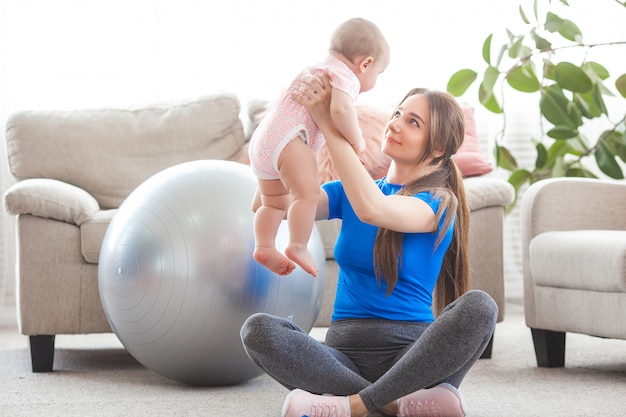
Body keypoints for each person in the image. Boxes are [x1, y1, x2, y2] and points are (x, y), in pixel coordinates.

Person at [240, 74, 498, 417]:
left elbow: (374, 209)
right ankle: (400, 404)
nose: (395, 124)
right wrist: (281, 138)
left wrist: (328, 124)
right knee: (258, 330)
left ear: (437, 148)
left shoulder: (439, 202)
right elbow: (274, 205)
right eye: (397, 114)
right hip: (342, 356)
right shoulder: (348, 191)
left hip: (413, 356)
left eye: (413, 122)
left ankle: (353, 406)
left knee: (480, 307)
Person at [248, 17, 390, 278]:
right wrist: (358, 141)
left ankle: (264, 246)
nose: (375, 79)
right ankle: (297, 245)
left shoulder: (315, 68)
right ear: (365, 63)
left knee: (274, 203)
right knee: (308, 195)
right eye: (378, 73)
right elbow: (340, 110)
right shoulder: (346, 77)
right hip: (290, 142)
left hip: (264, 142)